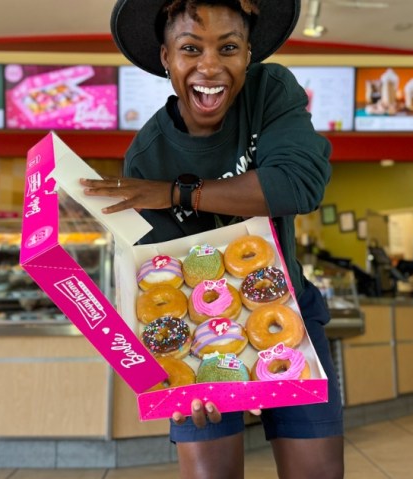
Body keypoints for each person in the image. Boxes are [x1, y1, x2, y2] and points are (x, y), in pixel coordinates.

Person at [81, 0, 343, 477]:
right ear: (166, 56)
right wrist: (170, 376)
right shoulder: (146, 155)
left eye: (228, 47)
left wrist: (177, 193)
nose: (210, 66)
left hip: (293, 320)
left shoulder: (270, 90)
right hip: (192, 336)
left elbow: (298, 185)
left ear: (248, 54)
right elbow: (159, 278)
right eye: (189, 48)